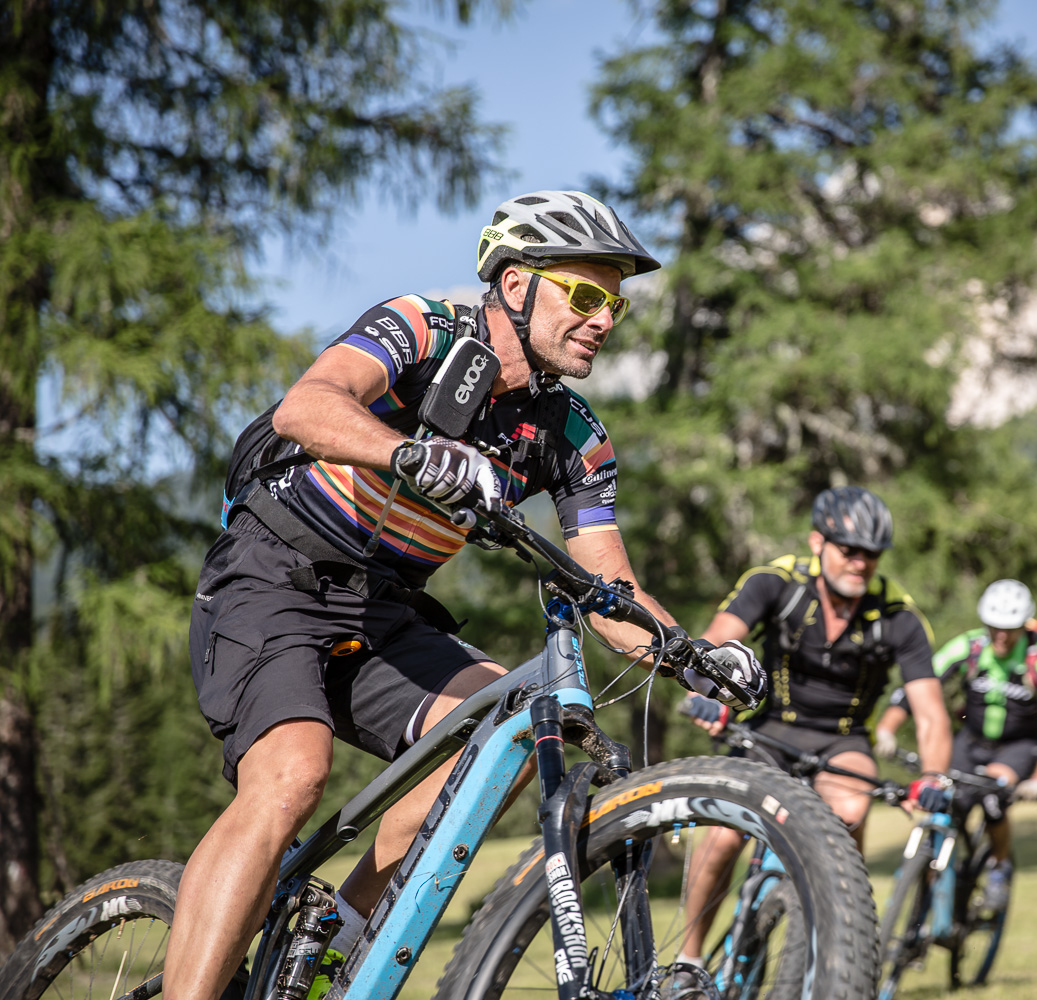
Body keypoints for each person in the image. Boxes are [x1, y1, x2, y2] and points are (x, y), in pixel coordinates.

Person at [163, 190, 767, 1000]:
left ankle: (331, 942)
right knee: (293, 776)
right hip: (273, 576)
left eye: (614, 303)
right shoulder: (422, 326)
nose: (604, 318)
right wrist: (408, 455)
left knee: (508, 730)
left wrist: (696, 655)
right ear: (515, 283)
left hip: (386, 610)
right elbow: (307, 407)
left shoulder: (573, 434)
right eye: (584, 295)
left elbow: (612, 591)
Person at [675, 486, 953, 969]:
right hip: (767, 730)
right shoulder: (775, 583)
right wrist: (705, 695)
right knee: (723, 833)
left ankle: (840, 950)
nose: (861, 563)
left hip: (842, 740)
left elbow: (930, 711)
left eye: (872, 554)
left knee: (851, 810)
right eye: (849, 550)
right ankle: (688, 961)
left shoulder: (898, 617)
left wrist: (933, 777)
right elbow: (717, 642)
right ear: (818, 542)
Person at [873, 578, 1037, 914]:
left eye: (1009, 628)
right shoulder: (970, 647)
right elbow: (919, 686)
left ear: (1024, 625)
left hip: (1019, 746)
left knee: (993, 797)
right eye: (994, 627)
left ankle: (999, 866)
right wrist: (888, 729)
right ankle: (934, 882)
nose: (1001, 636)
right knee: (944, 798)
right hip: (970, 740)